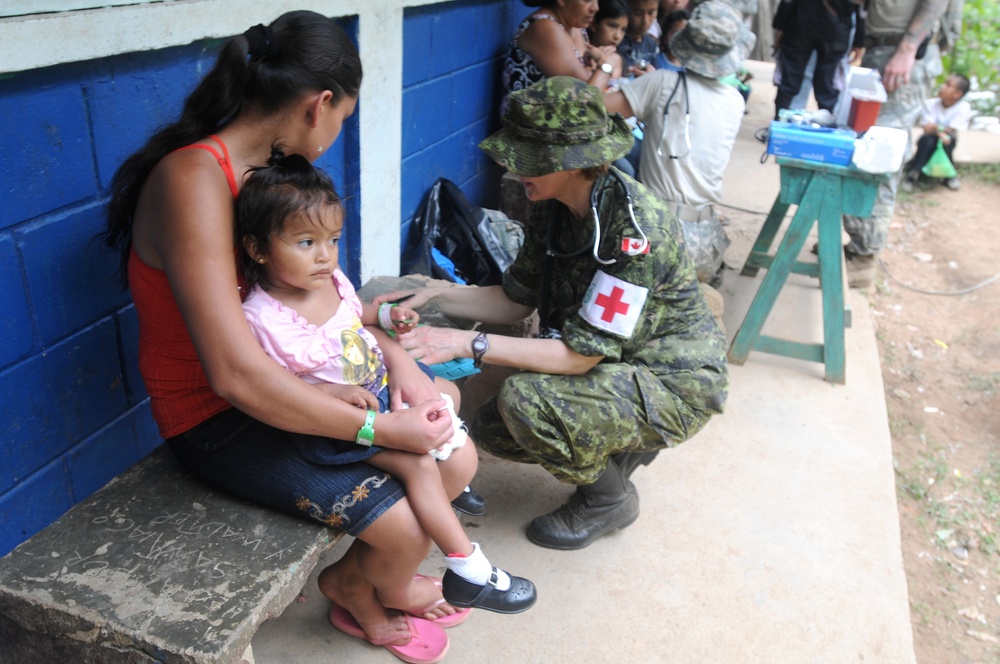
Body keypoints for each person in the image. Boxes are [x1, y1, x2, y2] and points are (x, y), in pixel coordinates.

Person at [102, 11, 479, 662]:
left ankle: (360, 577)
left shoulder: (267, 175)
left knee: (445, 439)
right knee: (406, 514)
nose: (335, 136)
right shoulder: (194, 180)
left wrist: (395, 360)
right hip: (221, 417)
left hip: (291, 381)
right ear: (319, 105)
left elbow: (324, 303)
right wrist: (381, 430)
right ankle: (360, 592)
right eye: (342, 120)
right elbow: (236, 376)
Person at [376, 76, 729, 551]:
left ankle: (609, 499)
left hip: (674, 381)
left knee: (528, 404)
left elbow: (578, 358)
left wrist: (468, 342)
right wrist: (433, 296)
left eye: (532, 159)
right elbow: (516, 298)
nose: (517, 167)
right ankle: (624, 444)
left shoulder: (633, 232)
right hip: (621, 360)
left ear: (576, 162)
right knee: (496, 431)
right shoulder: (554, 203)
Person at [235, 153, 537, 619]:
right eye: (305, 241)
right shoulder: (261, 318)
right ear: (257, 249)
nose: (324, 254)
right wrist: (329, 395)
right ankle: (470, 569)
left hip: (377, 391)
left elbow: (356, 315)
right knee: (419, 466)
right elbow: (272, 388)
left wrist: (385, 316)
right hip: (338, 425)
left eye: (332, 240)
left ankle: (447, 492)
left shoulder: (328, 282)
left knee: (445, 398)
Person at [605, 0, 748, 286]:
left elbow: (591, 110)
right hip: (707, 240)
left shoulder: (661, 83)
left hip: (659, 234)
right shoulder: (735, 100)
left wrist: (607, 64)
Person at [840, 0, 952, 288]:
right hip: (883, 51)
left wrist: (907, 48)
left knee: (880, 154)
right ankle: (858, 245)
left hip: (903, 55)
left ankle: (864, 257)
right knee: (866, 149)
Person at [501, 0, 624, 114]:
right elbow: (586, 101)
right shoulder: (545, 28)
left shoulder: (576, 26)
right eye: (587, 0)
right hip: (531, 130)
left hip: (562, 124)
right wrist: (606, 65)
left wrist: (598, 68)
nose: (595, 7)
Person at [901, 72, 972, 192]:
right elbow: (927, 128)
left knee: (947, 141)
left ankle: (948, 175)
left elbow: (950, 128)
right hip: (930, 138)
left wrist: (936, 129)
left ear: (957, 94)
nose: (942, 86)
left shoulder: (963, 108)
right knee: (928, 140)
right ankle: (915, 173)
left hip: (946, 140)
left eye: (948, 85)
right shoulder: (931, 104)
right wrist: (941, 132)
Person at [587, 0, 632, 83]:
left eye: (623, 30)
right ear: (594, 24)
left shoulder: (617, 60)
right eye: (612, 26)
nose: (618, 36)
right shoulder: (582, 56)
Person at [618, 0, 661, 76]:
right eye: (638, 14)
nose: (645, 21)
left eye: (651, 13)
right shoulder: (619, 41)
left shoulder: (651, 44)